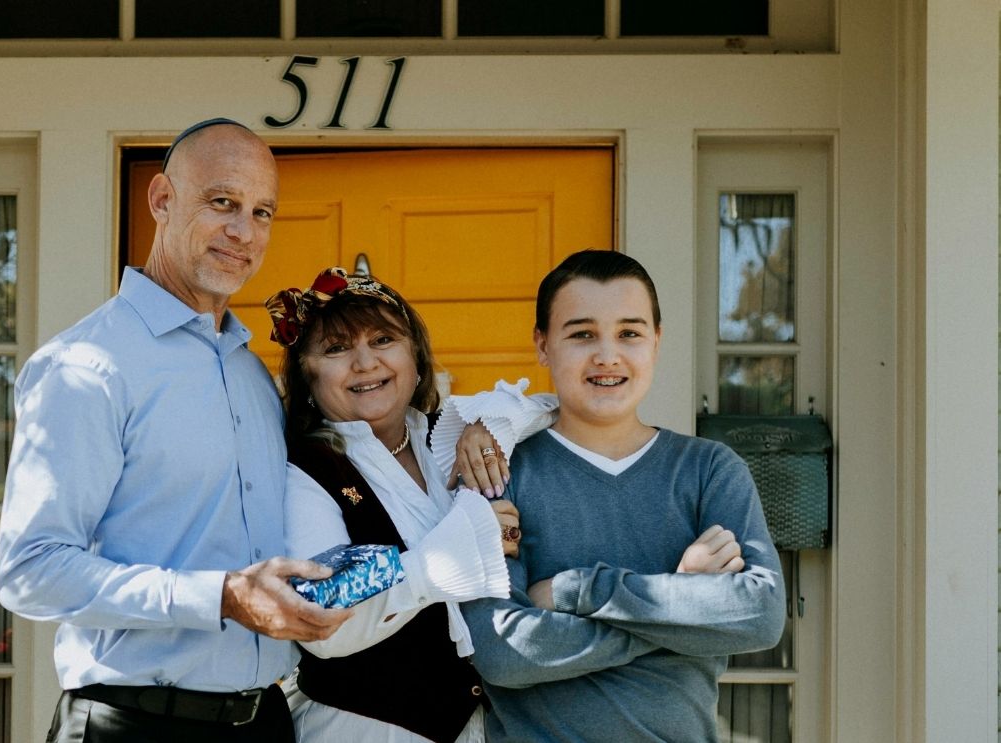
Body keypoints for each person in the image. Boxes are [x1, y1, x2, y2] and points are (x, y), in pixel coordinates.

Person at [0, 118, 352, 742]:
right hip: (134, 724)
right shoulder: (87, 366)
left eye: (263, 211)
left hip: (263, 720)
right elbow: (31, 570)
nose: (244, 232)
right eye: (223, 203)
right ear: (161, 199)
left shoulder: (251, 374)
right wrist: (220, 596)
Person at [460, 249, 787, 742]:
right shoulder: (500, 471)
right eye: (582, 334)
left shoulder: (709, 470)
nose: (608, 355)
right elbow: (503, 652)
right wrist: (680, 601)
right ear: (543, 345)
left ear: (656, 341)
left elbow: (759, 617)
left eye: (630, 333)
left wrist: (577, 592)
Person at [265, 267, 520, 743]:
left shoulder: (445, 437)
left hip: (476, 727)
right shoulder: (303, 473)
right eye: (337, 349)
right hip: (361, 729)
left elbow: (550, 403)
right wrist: (461, 549)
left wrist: (491, 423)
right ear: (308, 376)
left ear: (417, 359)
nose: (364, 362)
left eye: (384, 339)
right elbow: (327, 622)